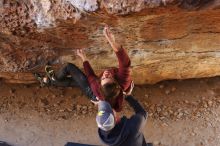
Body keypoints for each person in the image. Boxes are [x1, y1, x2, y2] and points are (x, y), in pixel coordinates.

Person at [77, 25, 133, 112]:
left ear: (100, 84)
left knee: (72, 71)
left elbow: (90, 75)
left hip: (99, 97)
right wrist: (112, 41)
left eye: (103, 78)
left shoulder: (96, 87)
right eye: (109, 77)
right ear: (116, 82)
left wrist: (84, 58)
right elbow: (125, 64)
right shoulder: (122, 82)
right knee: (119, 101)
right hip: (118, 94)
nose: (106, 74)